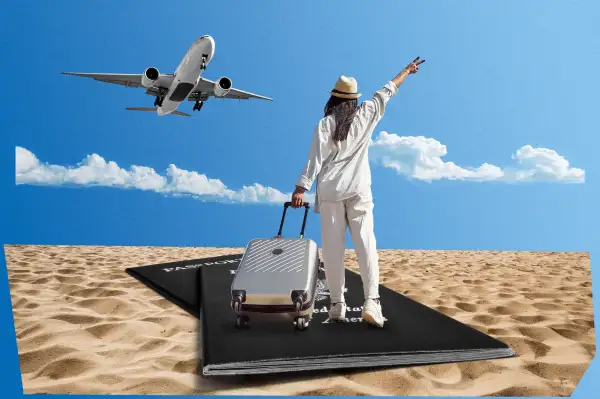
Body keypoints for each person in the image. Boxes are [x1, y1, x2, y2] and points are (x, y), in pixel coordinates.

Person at [291, 57, 425, 328]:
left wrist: (300, 187)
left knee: (331, 252)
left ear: (333, 99)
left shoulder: (326, 124)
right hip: (359, 190)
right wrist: (406, 71)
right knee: (366, 246)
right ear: (353, 100)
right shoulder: (366, 114)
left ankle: (337, 305)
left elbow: (314, 159)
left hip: (330, 193)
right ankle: (371, 302)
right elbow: (387, 90)